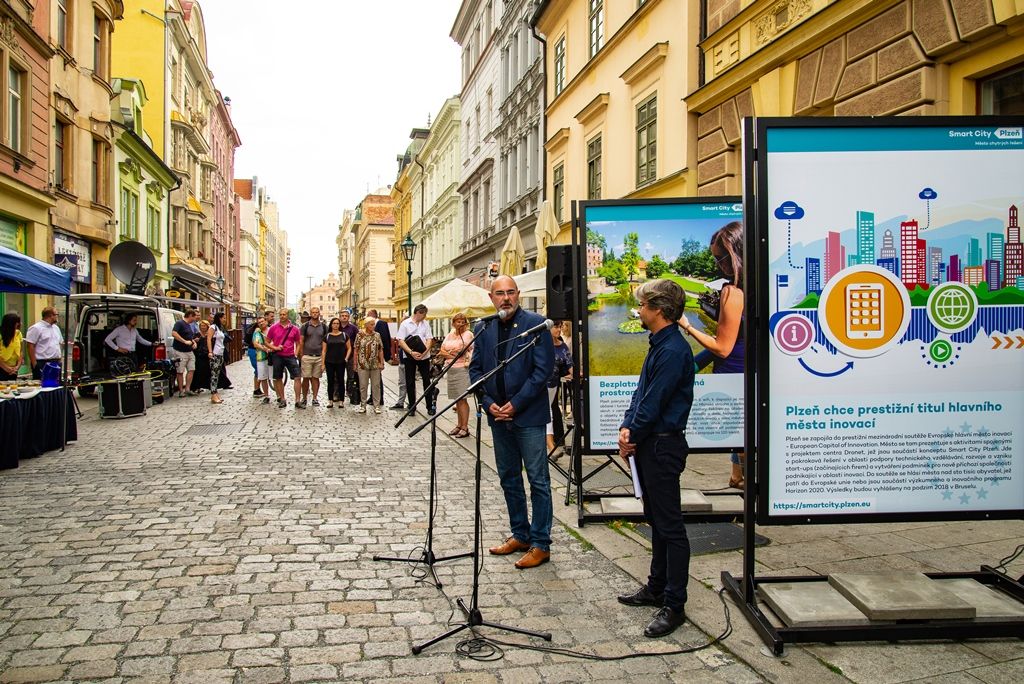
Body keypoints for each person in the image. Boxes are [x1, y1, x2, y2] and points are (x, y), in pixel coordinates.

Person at [617, 279, 695, 639]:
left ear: (659, 310)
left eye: (644, 304)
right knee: (657, 521)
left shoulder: (674, 349)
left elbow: (655, 401)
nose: (639, 310)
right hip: (651, 443)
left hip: (663, 446)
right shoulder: (660, 344)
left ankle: (675, 604)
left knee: (670, 527)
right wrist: (626, 426)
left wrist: (633, 434)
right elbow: (641, 393)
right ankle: (656, 587)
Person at [469, 276, 554, 570]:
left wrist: (515, 405)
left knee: (538, 480)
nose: (506, 298)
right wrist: (487, 402)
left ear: (518, 295)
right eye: (500, 294)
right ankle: (520, 533)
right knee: (509, 478)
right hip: (497, 416)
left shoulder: (536, 323)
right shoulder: (483, 326)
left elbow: (543, 371)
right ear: (491, 297)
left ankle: (541, 543)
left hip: (528, 416)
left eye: (510, 293)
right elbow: (476, 370)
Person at [679, 221, 745, 489]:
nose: (719, 265)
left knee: (741, 438)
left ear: (736, 253)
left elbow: (723, 347)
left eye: (722, 258)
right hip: (750, 374)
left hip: (731, 374)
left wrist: (688, 326)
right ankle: (737, 477)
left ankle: (746, 483)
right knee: (744, 432)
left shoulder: (732, 291)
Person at [436, 312, 474, 437]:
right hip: (450, 368)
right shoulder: (450, 334)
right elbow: (442, 350)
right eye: (458, 321)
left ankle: (465, 427)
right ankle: (459, 425)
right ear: (453, 323)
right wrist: (451, 354)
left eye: (463, 321)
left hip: (462, 369)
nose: (461, 323)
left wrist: (451, 353)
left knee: (462, 399)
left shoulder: (468, 334)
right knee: (456, 400)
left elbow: (462, 350)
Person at [397, 304, 433, 414]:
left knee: (427, 380)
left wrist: (424, 352)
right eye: (423, 314)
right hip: (409, 356)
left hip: (424, 356)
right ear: (418, 313)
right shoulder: (405, 324)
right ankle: (412, 406)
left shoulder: (425, 324)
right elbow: (400, 340)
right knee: (410, 381)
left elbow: (429, 339)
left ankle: (429, 406)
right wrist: (411, 352)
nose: (425, 316)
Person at [546, 320, 573, 457]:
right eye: (556, 326)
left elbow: (569, 365)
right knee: (547, 412)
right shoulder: (541, 344)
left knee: (548, 411)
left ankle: (550, 446)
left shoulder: (562, 346)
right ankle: (551, 446)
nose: (559, 329)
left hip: (553, 386)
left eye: (560, 326)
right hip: (540, 385)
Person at [266, 308, 302, 408]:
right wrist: (275, 347)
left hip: (290, 355)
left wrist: (296, 353)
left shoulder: (294, 329)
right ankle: (282, 399)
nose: (282, 316)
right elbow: (266, 342)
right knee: (278, 377)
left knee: (297, 377)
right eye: (281, 314)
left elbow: (298, 343)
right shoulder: (273, 328)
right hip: (277, 355)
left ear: (288, 315)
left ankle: (297, 400)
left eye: (284, 314)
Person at [354, 317, 385, 414]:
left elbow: (380, 349)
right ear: (366, 325)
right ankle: (363, 405)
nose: (373, 326)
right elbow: (356, 349)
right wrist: (355, 363)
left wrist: (381, 362)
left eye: (373, 324)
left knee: (376, 385)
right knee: (363, 385)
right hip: (362, 363)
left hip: (375, 363)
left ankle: (376, 406)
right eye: (371, 324)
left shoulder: (377, 335)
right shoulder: (360, 335)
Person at [299, 306, 327, 407]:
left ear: (319, 314)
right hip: (307, 356)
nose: (315, 314)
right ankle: (305, 398)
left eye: (317, 312)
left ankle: (315, 398)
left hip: (319, 356)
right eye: (313, 312)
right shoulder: (305, 326)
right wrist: (301, 355)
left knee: (316, 378)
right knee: (306, 378)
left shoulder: (324, 327)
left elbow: (325, 342)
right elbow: (301, 341)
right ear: (311, 314)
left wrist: (324, 358)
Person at [25, 306, 63, 381]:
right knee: (43, 385)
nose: (57, 317)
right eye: (56, 314)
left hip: (56, 361)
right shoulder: (36, 328)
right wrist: (34, 364)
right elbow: (30, 346)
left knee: (55, 385)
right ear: (50, 316)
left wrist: (60, 359)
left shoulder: (56, 328)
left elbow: (59, 343)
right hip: (43, 362)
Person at [170, 309, 198, 397]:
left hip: (189, 351)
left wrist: (194, 342)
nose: (195, 319)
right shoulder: (179, 323)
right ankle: (181, 390)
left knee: (191, 369)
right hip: (180, 351)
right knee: (180, 371)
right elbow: (174, 333)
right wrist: (184, 341)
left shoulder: (189, 325)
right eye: (194, 317)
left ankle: (187, 389)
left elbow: (189, 337)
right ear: (190, 315)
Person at [324, 317, 350, 408]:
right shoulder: (327, 336)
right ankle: (330, 400)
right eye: (334, 323)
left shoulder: (344, 335)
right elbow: (324, 351)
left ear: (339, 325)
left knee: (341, 381)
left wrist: (346, 358)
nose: (336, 325)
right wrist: (323, 363)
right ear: (331, 325)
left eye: (337, 323)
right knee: (330, 381)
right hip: (329, 361)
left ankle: (341, 401)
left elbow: (349, 348)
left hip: (340, 361)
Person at [367, 309, 391, 405]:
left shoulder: (381, 324)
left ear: (373, 315)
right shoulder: (370, 325)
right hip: (370, 356)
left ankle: (379, 398)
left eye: (368, 315)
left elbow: (385, 340)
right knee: (372, 378)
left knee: (377, 378)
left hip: (378, 355)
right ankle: (372, 397)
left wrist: (386, 356)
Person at [337, 309, 359, 407]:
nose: (344, 317)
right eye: (342, 315)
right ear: (340, 317)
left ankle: (350, 393)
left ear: (348, 317)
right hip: (338, 355)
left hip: (350, 355)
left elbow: (357, 340)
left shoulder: (353, 328)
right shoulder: (336, 326)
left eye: (346, 315)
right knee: (337, 376)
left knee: (351, 376)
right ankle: (336, 394)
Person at [207, 312, 228, 404]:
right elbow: (208, 339)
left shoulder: (220, 328)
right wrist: (210, 351)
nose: (225, 320)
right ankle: (213, 394)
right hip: (215, 353)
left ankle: (215, 393)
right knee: (214, 375)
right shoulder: (213, 327)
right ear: (219, 318)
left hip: (220, 353)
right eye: (223, 318)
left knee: (217, 374)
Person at [251, 316, 271, 403]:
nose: (261, 323)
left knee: (275, 377)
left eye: (262, 321)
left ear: (266, 322)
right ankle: (266, 396)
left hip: (272, 357)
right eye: (259, 322)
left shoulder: (271, 330)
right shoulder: (257, 332)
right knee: (263, 377)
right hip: (261, 357)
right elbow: (255, 344)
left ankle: (279, 396)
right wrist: (264, 348)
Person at [0, 312, 22, 380]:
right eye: (17, 322)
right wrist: (6, 368)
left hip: (14, 369)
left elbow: (21, 351)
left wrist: (17, 366)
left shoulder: (18, 334)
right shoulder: (1, 335)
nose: (20, 324)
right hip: (2, 368)